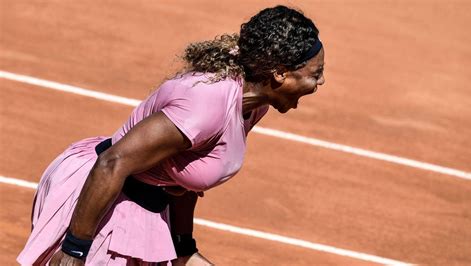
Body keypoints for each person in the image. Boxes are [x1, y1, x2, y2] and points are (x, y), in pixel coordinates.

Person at [17, 5, 325, 266]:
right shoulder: (207, 105)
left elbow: (185, 179)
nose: (320, 81)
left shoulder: (255, 104)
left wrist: (183, 248)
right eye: (314, 73)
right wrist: (74, 250)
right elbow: (113, 162)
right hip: (99, 199)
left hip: (141, 203)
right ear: (280, 73)